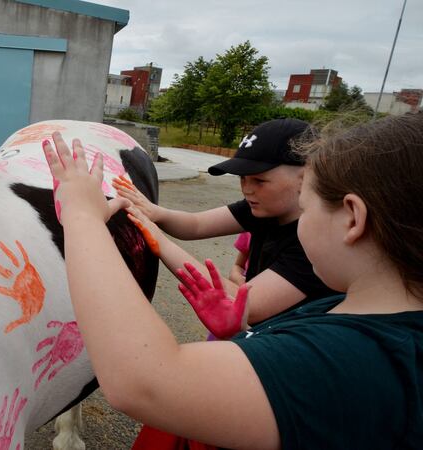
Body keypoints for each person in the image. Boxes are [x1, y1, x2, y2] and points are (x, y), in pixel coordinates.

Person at [41, 112, 423, 449]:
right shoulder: (348, 310)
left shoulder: (345, 359)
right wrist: (243, 333)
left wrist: (82, 217)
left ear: (353, 219)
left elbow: (144, 382)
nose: (248, 189)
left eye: (307, 207)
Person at [113, 118, 339, 336]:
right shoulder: (262, 209)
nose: (247, 190)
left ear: (306, 176)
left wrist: (160, 243)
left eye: (259, 181)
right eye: (242, 179)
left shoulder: (315, 241)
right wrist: (156, 212)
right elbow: (196, 225)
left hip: (285, 347)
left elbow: (249, 304)